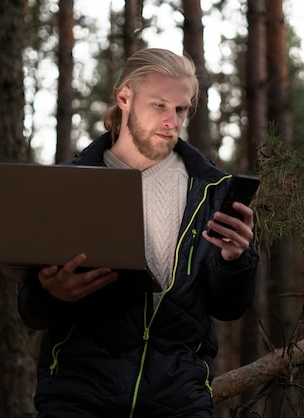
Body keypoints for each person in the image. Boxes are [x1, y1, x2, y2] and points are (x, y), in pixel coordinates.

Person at [18, 48, 259, 418]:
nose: (171, 121)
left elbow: (228, 308)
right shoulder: (68, 183)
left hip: (179, 400)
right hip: (78, 397)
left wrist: (235, 260)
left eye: (180, 109)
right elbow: (32, 311)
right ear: (125, 98)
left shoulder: (211, 190)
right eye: (159, 105)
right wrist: (52, 293)